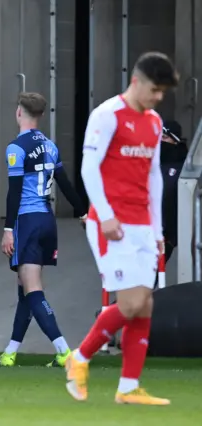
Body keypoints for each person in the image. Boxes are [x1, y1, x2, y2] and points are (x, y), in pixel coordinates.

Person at [66, 52, 178, 405]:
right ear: (137, 81)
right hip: (110, 223)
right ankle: (79, 358)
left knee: (144, 305)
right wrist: (107, 214)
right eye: (155, 89)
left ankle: (128, 388)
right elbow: (88, 167)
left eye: (163, 92)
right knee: (130, 304)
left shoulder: (155, 122)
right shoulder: (107, 115)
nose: (158, 97)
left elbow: (154, 176)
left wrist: (158, 230)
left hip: (143, 224)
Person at [0, 92, 87, 368]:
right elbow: (66, 184)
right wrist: (83, 212)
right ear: (41, 115)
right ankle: (9, 353)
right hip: (46, 220)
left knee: (32, 288)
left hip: (28, 221)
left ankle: (64, 351)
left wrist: (8, 228)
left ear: (19, 112)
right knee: (25, 289)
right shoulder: (50, 146)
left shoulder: (16, 148)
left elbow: (15, 191)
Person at [160, 120, 188, 266]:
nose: (159, 141)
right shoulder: (146, 161)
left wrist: (172, 237)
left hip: (166, 235)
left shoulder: (185, 167)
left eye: (164, 137)